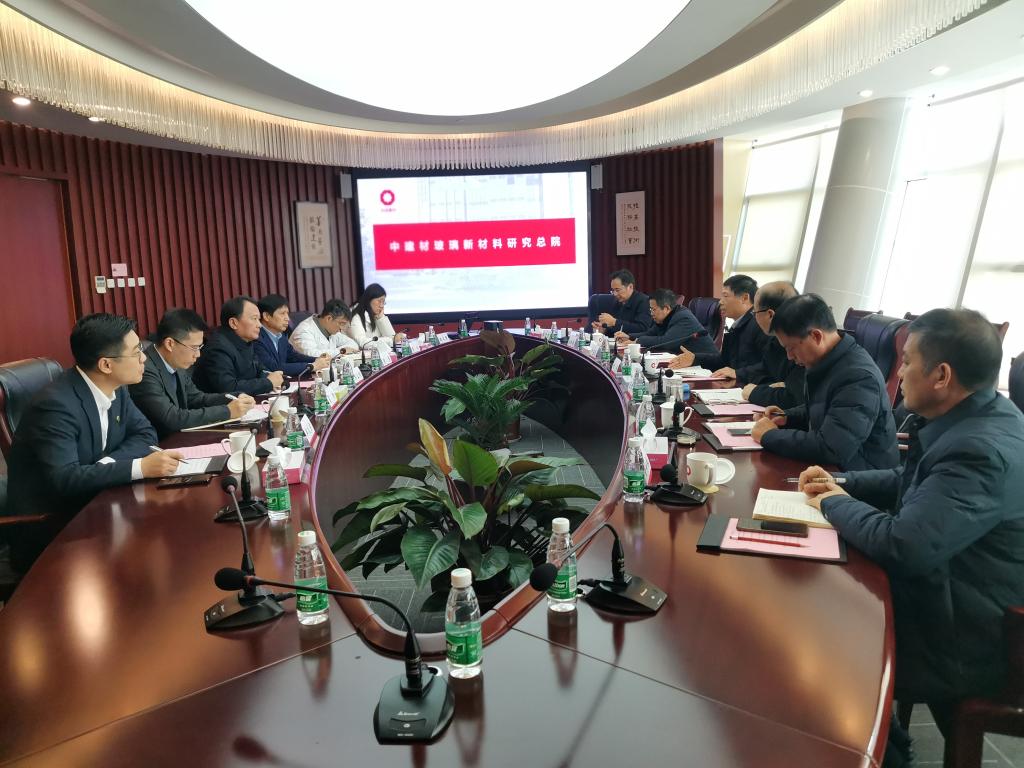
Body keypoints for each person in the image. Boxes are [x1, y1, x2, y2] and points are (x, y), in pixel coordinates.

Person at [798, 308, 1024, 740]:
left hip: (969, 636)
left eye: (906, 361)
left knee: (821, 639)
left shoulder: (978, 451)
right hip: (953, 593)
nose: (898, 373)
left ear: (941, 375)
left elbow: (903, 545)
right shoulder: (982, 416)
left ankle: (882, 751)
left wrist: (832, 503)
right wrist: (841, 482)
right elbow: (912, 479)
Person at [5, 313, 183, 570]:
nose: (144, 358)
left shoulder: (116, 387)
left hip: (99, 506)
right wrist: (140, 467)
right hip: (57, 529)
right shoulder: (55, 406)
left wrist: (105, 465)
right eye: (136, 352)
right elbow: (66, 479)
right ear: (106, 365)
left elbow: (145, 434)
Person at [750, 294, 898, 471]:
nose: (789, 356)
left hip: (858, 476)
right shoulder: (827, 360)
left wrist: (769, 435)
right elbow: (824, 408)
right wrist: (787, 417)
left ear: (816, 336)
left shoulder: (858, 377)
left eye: (791, 348)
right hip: (831, 470)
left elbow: (831, 448)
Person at [129, 309, 257, 438]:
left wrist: (234, 397)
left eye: (199, 347)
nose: (198, 354)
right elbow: (172, 418)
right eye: (194, 348)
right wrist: (228, 411)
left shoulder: (175, 360)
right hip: (160, 443)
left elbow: (196, 398)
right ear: (170, 344)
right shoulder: (145, 370)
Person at [668, 274, 769, 380]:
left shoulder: (760, 324)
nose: (720, 302)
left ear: (744, 298)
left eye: (725, 296)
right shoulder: (737, 325)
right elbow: (724, 361)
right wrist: (694, 358)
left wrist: (738, 373)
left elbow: (770, 366)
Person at [194, 296, 284, 395]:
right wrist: (268, 383)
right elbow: (229, 388)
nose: (259, 325)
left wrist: (274, 378)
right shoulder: (218, 348)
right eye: (254, 319)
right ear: (233, 323)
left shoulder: (246, 341)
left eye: (259, 319)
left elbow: (260, 369)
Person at [741, 281, 804, 409]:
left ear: (770, 314)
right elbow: (765, 371)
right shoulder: (775, 340)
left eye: (755, 313)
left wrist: (756, 393)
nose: (790, 355)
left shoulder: (800, 343)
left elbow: (794, 398)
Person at [616, 288, 718, 355]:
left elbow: (666, 342)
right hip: (686, 362)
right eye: (650, 309)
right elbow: (650, 333)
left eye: (653, 309)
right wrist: (629, 336)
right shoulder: (665, 317)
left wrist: (638, 341)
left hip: (705, 366)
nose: (651, 313)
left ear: (666, 308)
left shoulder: (683, 317)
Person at [254, 294, 330, 376]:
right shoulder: (256, 338)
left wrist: (317, 359)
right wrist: (311, 366)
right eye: (282, 313)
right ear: (266, 316)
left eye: (287, 313)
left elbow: (293, 357)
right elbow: (274, 367)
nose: (287, 318)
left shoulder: (281, 336)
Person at [591, 270, 652, 337]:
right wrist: (604, 330)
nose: (615, 294)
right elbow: (616, 329)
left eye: (617, 290)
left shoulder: (644, 301)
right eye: (613, 290)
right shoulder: (617, 302)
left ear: (630, 287)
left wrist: (614, 322)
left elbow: (643, 329)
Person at [290, 299, 359, 357]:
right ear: (329, 318)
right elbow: (311, 355)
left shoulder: (330, 329)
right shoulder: (304, 331)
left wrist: (342, 351)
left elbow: (353, 344)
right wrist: (341, 351)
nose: (342, 328)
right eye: (341, 323)